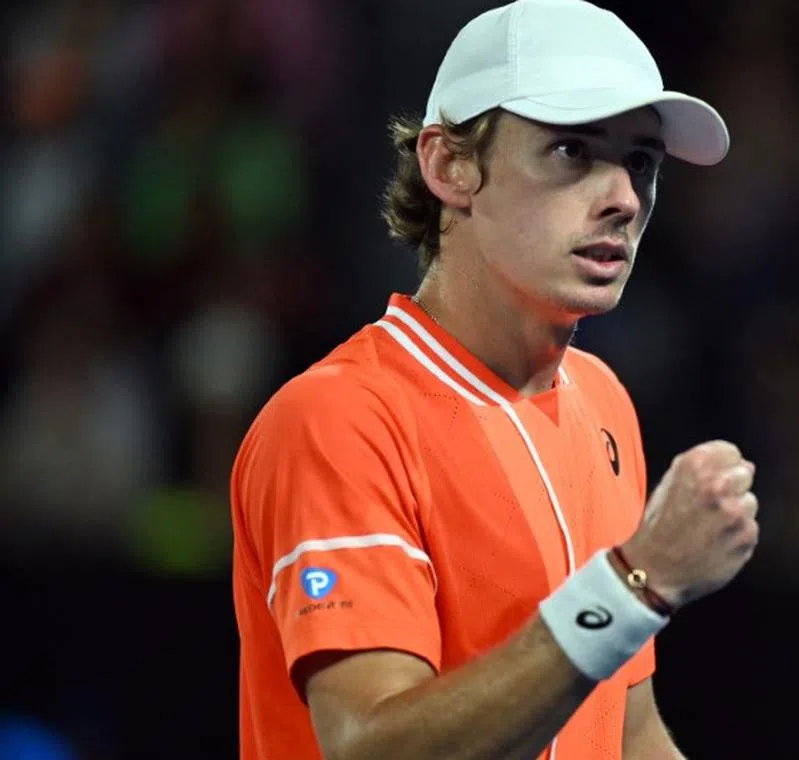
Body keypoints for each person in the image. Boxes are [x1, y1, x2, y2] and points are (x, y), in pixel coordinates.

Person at [230, 1, 758, 758]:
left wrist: (629, 594)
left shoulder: (603, 402)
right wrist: (634, 585)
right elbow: (370, 748)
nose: (623, 198)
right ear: (450, 166)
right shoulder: (337, 419)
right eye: (574, 151)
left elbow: (625, 729)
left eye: (641, 161)